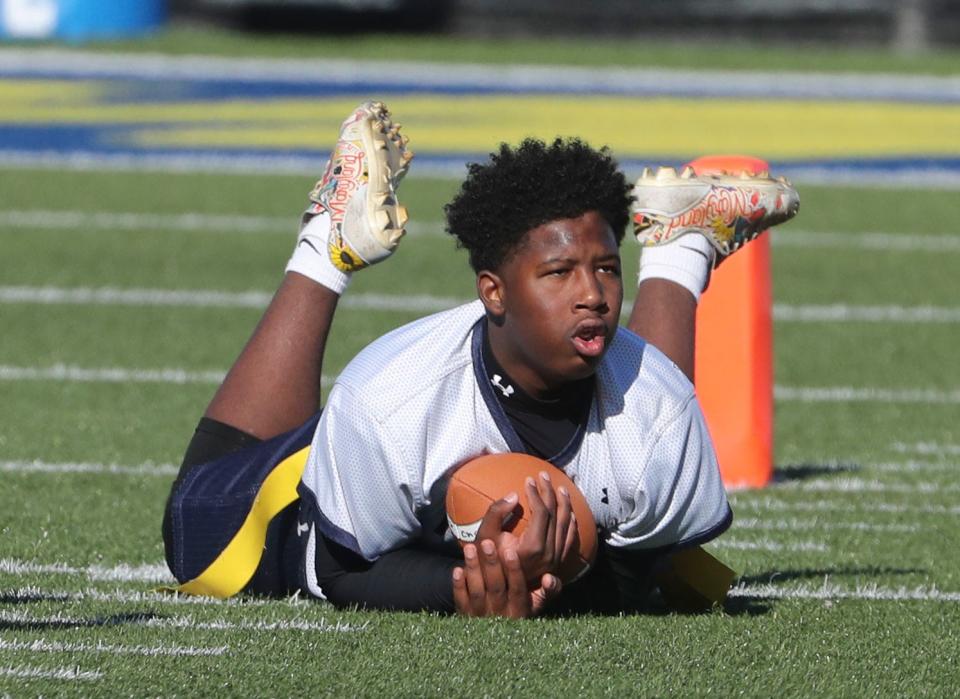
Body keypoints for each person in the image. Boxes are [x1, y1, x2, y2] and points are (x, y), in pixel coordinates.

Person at [162, 101, 799, 617]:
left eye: (607, 268)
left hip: (456, 465)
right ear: (493, 291)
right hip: (318, 492)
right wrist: (465, 588)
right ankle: (326, 244)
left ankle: (678, 247)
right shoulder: (391, 400)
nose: (592, 295)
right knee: (195, 542)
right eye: (557, 273)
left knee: (663, 487)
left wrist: (547, 580)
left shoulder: (662, 411)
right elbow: (336, 567)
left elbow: (643, 574)